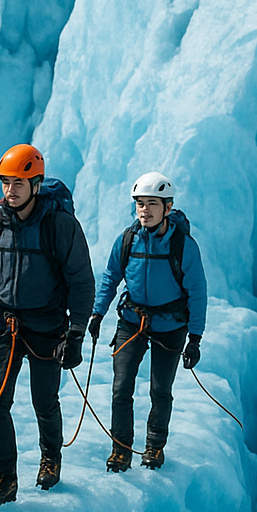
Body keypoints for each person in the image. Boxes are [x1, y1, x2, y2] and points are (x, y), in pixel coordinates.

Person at [0, 143, 94, 507]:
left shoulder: (59, 225)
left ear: (36, 184)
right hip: (4, 326)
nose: (10, 190)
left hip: (47, 328)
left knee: (44, 401)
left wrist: (76, 333)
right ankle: (3, 478)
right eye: (6, 182)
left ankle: (51, 456)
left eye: (19, 183)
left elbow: (81, 281)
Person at [89, 171, 206, 470]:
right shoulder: (128, 240)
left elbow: (197, 292)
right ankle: (121, 448)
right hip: (132, 321)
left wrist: (195, 338)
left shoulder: (183, 246)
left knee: (160, 389)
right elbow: (110, 278)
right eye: (140, 203)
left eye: (152, 203)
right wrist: (97, 313)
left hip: (170, 326)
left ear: (167, 208)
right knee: (121, 387)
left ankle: (154, 447)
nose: (145, 210)